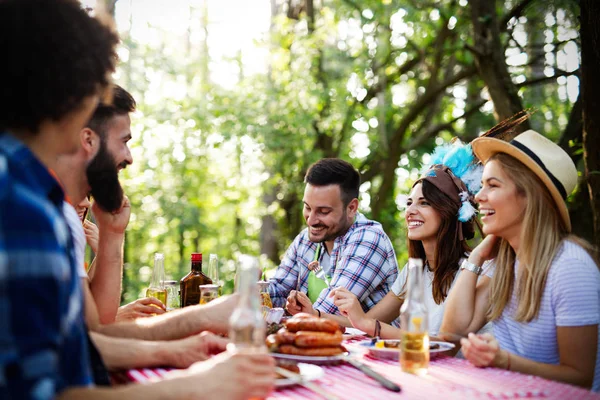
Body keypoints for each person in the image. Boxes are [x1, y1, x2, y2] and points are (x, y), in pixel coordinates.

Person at [0, 1, 274, 398]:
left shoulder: (34, 196)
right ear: (69, 92)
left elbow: (75, 344)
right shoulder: (22, 209)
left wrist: (180, 350)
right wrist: (201, 387)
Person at [441, 129, 600, 391]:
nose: (478, 196)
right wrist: (478, 255)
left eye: (492, 185)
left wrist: (504, 361)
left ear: (530, 196)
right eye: (482, 185)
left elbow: (579, 377)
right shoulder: (504, 262)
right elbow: (451, 335)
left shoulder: (570, 267)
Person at [330, 141, 492, 338]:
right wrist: (315, 314)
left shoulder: (475, 270)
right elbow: (365, 323)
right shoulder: (414, 271)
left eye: (424, 203)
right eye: (409, 203)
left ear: (448, 211)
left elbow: (443, 345)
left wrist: (366, 323)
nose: (411, 211)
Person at [270, 158, 398, 323]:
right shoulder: (305, 240)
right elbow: (279, 291)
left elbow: (328, 311)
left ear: (351, 208)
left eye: (323, 211)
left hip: (371, 346)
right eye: (308, 208)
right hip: (323, 342)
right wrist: (255, 291)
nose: (311, 220)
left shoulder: (369, 239)